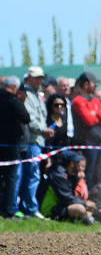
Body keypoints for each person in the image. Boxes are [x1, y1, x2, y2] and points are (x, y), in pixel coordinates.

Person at [19, 66, 53, 219]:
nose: (40, 80)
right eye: (37, 77)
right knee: (32, 175)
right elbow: (30, 119)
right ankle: (30, 209)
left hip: (38, 141)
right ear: (29, 78)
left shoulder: (37, 95)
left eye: (41, 77)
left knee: (33, 175)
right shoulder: (27, 94)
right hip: (32, 141)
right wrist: (43, 130)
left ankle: (30, 207)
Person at [71, 72, 101, 190]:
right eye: (94, 83)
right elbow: (89, 120)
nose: (96, 86)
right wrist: (99, 115)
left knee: (98, 174)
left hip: (99, 143)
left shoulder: (94, 100)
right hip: (87, 143)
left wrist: (96, 113)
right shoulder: (78, 101)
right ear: (86, 84)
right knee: (88, 173)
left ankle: (94, 200)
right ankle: (85, 199)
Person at [0, 76, 30, 219]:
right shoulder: (13, 100)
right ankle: (9, 211)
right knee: (11, 178)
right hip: (10, 145)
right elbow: (25, 118)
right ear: (13, 88)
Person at [39, 151, 93, 225]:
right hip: (48, 209)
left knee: (88, 209)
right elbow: (67, 198)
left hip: (60, 205)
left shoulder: (66, 174)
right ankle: (85, 223)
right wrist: (84, 203)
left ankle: (80, 220)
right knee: (80, 208)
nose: (79, 165)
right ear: (71, 164)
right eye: (77, 163)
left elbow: (71, 194)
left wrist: (77, 178)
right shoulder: (59, 176)